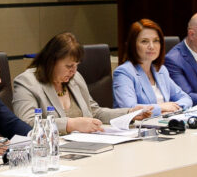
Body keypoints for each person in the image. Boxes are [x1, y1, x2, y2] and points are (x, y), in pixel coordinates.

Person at [11, 33, 150, 132]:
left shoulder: (75, 78)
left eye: (76, 65)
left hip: (85, 147)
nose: (74, 71)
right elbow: (26, 124)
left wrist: (129, 113)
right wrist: (70, 124)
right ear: (51, 61)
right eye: (69, 66)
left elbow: (95, 113)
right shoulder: (27, 82)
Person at [112, 19, 192, 113]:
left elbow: (186, 98)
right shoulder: (124, 72)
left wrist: (173, 108)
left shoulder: (161, 70)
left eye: (156, 41)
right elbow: (130, 109)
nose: (152, 46)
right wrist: (161, 108)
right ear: (133, 45)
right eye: (144, 41)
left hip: (164, 120)